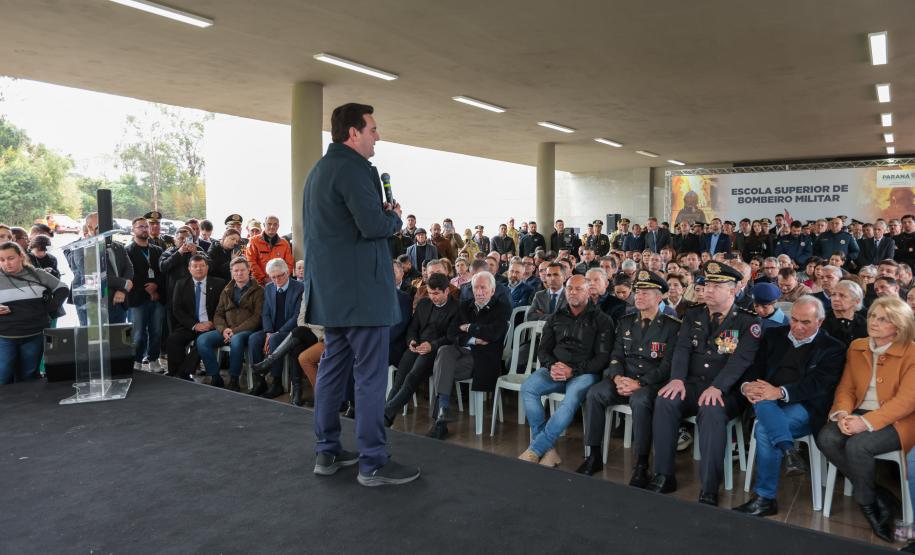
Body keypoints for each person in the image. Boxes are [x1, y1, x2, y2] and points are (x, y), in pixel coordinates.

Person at [300, 102, 419, 486]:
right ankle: (373, 461)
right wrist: (394, 217)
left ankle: (327, 450)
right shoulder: (354, 169)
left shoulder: (318, 171)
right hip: (362, 295)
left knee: (334, 368)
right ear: (353, 133)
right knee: (369, 376)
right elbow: (372, 225)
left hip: (332, 295)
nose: (377, 136)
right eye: (372, 130)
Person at [647, 261, 762, 506]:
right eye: (707, 284)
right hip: (691, 384)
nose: (708, 289)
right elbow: (682, 349)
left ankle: (709, 486)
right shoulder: (694, 314)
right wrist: (677, 379)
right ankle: (664, 474)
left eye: (716, 286)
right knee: (665, 399)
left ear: (732, 291)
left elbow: (740, 361)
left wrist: (718, 387)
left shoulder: (747, 322)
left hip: (726, 391)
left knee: (711, 410)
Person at [734, 296, 846, 517]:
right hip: (768, 397)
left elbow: (818, 385)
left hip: (805, 405)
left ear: (819, 322)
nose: (797, 327)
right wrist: (747, 386)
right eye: (794, 320)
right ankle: (789, 451)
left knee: (764, 429)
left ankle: (765, 498)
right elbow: (755, 366)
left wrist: (779, 392)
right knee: (764, 402)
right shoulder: (774, 335)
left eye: (805, 322)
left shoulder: (833, 347)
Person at [817, 296, 915, 543]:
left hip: (898, 420)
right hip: (858, 412)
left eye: (884, 319)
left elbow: (906, 402)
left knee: (858, 446)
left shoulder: (912, 353)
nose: (874, 322)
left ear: (899, 325)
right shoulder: (857, 346)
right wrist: (842, 413)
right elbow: (846, 387)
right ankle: (877, 494)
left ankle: (869, 507)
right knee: (827, 437)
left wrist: (866, 423)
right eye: (872, 316)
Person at [577, 270, 681, 483]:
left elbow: (667, 365)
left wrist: (640, 382)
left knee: (640, 400)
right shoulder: (625, 321)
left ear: (659, 297)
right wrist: (616, 378)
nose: (639, 297)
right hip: (623, 379)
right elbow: (616, 355)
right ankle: (594, 454)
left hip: (650, 383)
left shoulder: (671, 326)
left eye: (646, 293)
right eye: (638, 292)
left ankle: (642, 463)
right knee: (594, 393)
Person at [518, 274, 613, 466]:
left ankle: (536, 448)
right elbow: (543, 350)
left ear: (588, 291)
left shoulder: (602, 320)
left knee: (570, 401)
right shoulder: (556, 317)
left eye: (578, 288)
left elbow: (602, 359)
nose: (573, 292)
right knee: (528, 387)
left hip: (584, 374)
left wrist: (573, 371)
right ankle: (549, 450)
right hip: (555, 370)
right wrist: (552, 366)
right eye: (569, 288)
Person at [427, 271, 510, 439]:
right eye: (475, 288)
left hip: (483, 360)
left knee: (440, 366)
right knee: (444, 351)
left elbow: (493, 334)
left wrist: (468, 327)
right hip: (460, 352)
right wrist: (474, 338)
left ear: (492, 290)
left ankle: (441, 420)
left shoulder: (502, 307)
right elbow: (451, 334)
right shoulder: (464, 306)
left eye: (483, 288)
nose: (478, 292)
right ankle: (443, 411)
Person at [384, 273, 459, 426]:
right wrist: (411, 341)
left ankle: (385, 413)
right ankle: (387, 415)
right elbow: (412, 327)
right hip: (417, 346)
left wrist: (432, 346)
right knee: (400, 378)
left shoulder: (456, 307)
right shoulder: (424, 303)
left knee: (412, 377)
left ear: (446, 291)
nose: (433, 297)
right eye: (431, 293)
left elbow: (452, 337)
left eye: (436, 293)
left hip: (436, 350)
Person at [0, 242, 68, 384]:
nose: (6, 263)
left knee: (29, 376)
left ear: (21, 256)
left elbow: (63, 288)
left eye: (10, 258)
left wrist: (48, 308)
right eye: (1, 260)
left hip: (34, 335)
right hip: (4, 337)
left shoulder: (38, 274)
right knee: (3, 375)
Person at [195, 257, 263, 391]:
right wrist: (223, 329)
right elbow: (218, 314)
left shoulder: (259, 290)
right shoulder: (227, 290)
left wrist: (235, 331)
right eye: (236, 270)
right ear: (231, 272)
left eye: (242, 270)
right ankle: (215, 376)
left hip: (247, 330)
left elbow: (257, 317)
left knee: (236, 339)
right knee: (202, 340)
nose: (239, 273)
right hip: (227, 330)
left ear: (249, 270)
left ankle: (234, 379)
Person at [247, 258, 304, 398]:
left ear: (288, 272)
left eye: (280, 276)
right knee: (253, 339)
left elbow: (297, 316)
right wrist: (268, 332)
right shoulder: (269, 287)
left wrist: (276, 333)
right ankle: (260, 381)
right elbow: (265, 313)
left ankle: (276, 382)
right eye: (273, 277)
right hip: (271, 330)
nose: (277, 280)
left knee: (275, 339)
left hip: (290, 330)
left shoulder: (299, 288)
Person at [165, 255, 226, 380]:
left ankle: (182, 373)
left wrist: (213, 323)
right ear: (189, 269)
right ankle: (177, 373)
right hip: (190, 325)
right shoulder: (181, 284)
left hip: (210, 325)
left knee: (201, 342)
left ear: (207, 268)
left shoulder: (219, 284)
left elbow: (224, 308)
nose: (199, 269)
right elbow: (177, 309)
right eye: (195, 266)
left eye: (202, 266)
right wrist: (194, 325)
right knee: (173, 340)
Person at [125, 217, 165, 373]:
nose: (144, 229)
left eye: (146, 227)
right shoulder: (127, 251)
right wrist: (146, 289)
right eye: (140, 227)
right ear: (133, 230)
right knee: (138, 333)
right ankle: (136, 361)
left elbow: (163, 273)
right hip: (137, 298)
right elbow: (129, 275)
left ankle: (154, 359)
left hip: (157, 297)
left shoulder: (157, 250)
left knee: (156, 331)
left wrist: (156, 288)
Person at [246, 215, 295, 286]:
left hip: (280, 283)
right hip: (259, 284)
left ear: (278, 226)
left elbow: (289, 263)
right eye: (269, 224)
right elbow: (251, 262)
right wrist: (263, 278)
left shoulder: (284, 243)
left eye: (275, 224)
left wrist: (282, 278)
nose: (272, 227)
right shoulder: (253, 241)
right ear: (264, 225)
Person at [821, 280, 868, 348]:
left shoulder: (864, 324)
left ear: (857, 301)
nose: (836, 299)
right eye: (833, 294)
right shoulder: (820, 320)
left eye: (842, 295)